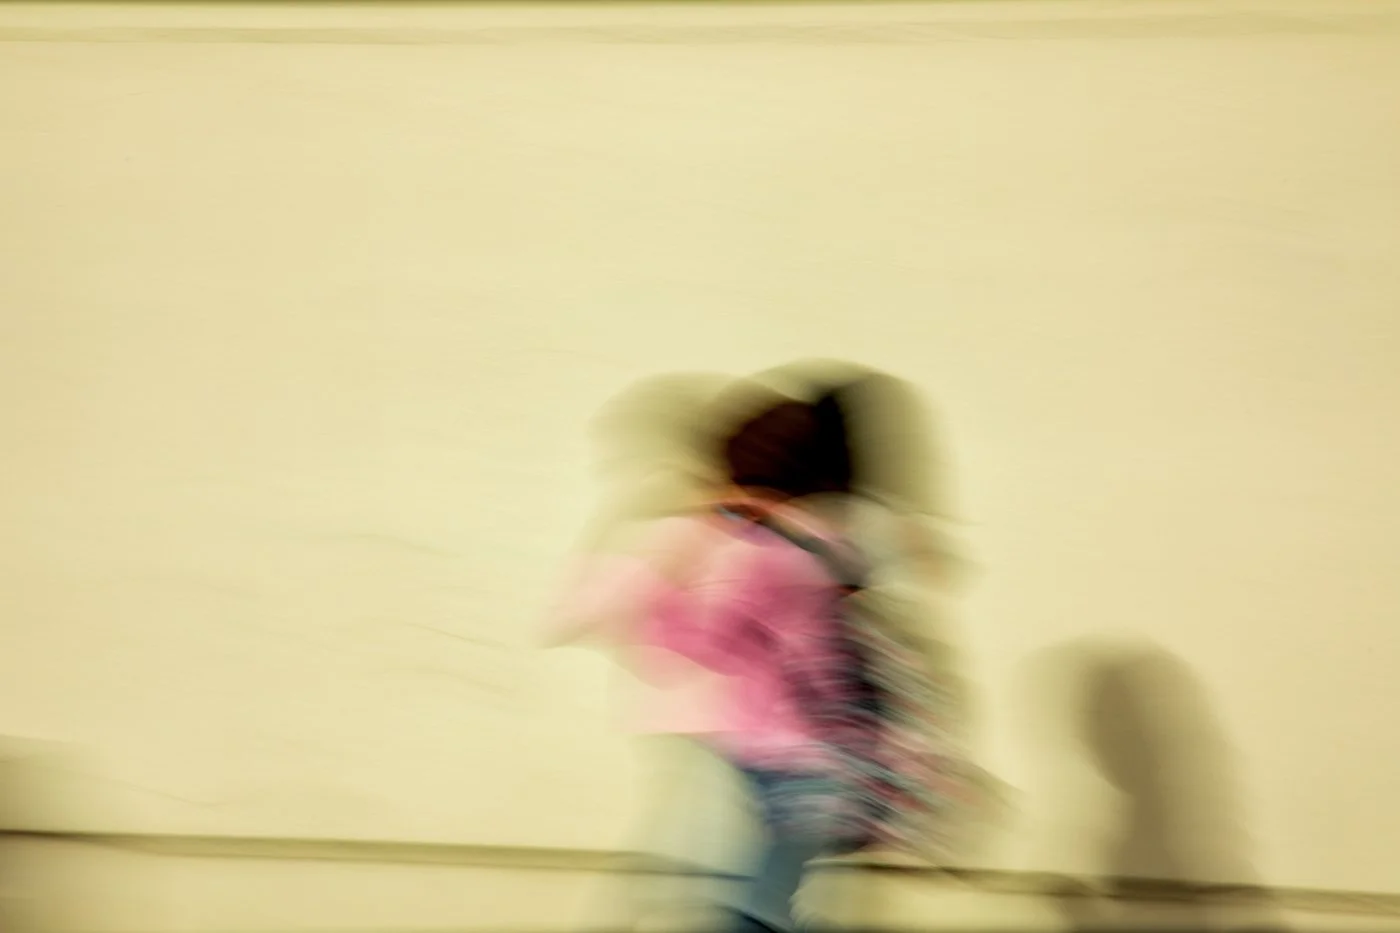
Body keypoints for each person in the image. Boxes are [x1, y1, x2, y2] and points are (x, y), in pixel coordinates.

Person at [546, 370, 974, 932]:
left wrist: (670, 571)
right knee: (763, 898)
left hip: (783, 759)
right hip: (826, 755)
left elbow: (690, 649)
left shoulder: (765, 556)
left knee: (750, 908)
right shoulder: (831, 542)